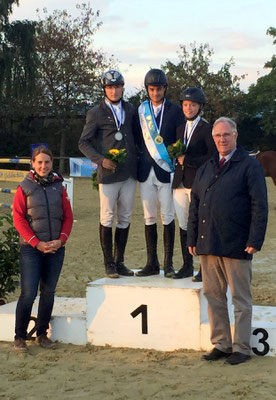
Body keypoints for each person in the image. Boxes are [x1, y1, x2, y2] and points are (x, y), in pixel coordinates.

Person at [187, 117, 268, 365]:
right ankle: (221, 344)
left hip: (238, 243)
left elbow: (259, 205)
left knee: (241, 299)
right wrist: (192, 237)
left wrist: (255, 238)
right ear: (213, 139)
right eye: (218, 136)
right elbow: (195, 204)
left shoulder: (250, 166)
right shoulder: (207, 167)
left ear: (236, 135)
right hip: (208, 242)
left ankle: (241, 347)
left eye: (226, 135)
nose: (222, 139)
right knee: (214, 296)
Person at [13, 146, 73, 352]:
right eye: (39, 162)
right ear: (32, 163)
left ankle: (42, 334)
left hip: (55, 248)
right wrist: (35, 242)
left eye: (47, 162)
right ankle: (19, 336)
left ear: (51, 163)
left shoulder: (59, 186)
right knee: (29, 293)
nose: (43, 166)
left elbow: (68, 217)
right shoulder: (24, 187)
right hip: (31, 249)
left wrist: (61, 240)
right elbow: (18, 218)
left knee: (48, 292)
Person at [79, 70, 137, 278]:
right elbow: (83, 142)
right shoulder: (95, 112)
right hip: (108, 172)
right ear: (105, 89)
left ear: (123, 87)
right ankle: (109, 263)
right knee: (107, 216)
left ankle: (120, 261)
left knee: (125, 216)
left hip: (129, 172)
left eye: (117, 86)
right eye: (110, 87)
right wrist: (100, 160)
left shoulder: (131, 109)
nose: (114, 90)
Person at [135, 68, 184, 277]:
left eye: (159, 89)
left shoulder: (175, 110)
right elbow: (138, 138)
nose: (155, 93)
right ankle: (151, 263)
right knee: (149, 217)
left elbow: (179, 137)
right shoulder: (141, 110)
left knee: (168, 216)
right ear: (147, 90)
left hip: (165, 169)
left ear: (165, 89)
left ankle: (168, 264)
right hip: (146, 170)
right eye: (152, 89)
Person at [172, 87, 216, 280]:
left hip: (197, 183)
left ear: (200, 107)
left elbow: (212, 156)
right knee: (183, 224)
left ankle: (202, 268)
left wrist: (188, 160)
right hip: (179, 182)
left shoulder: (207, 129)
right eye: (186, 105)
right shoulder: (180, 129)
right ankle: (186, 265)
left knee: (199, 224)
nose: (189, 108)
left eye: (193, 105)